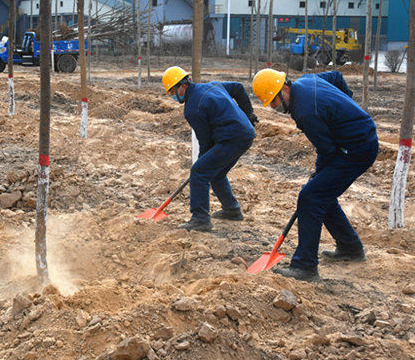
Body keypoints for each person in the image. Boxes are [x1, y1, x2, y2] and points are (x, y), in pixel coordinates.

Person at [251, 68, 378, 281]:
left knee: (310, 197)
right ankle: (350, 247)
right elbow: (337, 76)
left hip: (357, 150)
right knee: (321, 194)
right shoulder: (307, 81)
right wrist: (347, 105)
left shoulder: (305, 112)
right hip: (359, 140)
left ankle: (305, 266)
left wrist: (319, 173)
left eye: (274, 101)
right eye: (270, 104)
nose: (275, 107)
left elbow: (327, 150)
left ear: (284, 87)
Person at [162, 66, 258, 232]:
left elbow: (205, 142)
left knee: (199, 172)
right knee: (216, 173)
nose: (172, 97)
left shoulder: (193, 108)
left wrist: (200, 162)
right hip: (245, 135)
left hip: (232, 139)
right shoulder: (212, 85)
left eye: (172, 92)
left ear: (183, 86)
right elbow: (238, 88)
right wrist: (247, 115)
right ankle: (232, 210)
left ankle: (200, 219)